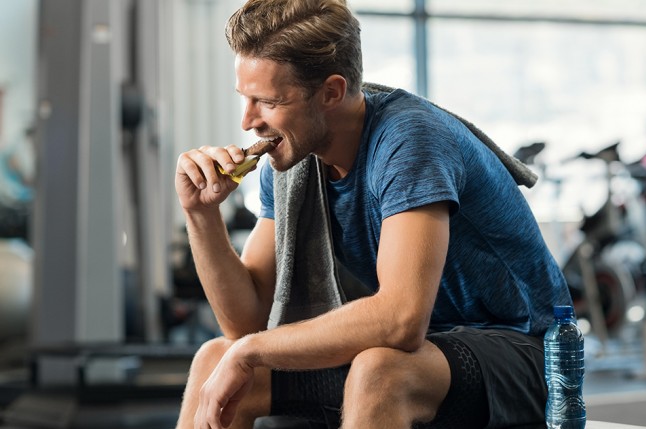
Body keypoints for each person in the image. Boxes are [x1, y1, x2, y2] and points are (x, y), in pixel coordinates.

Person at [173, 1, 571, 428]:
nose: (248, 121)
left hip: (530, 351)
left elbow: (400, 321)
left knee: (380, 371)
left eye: (267, 101)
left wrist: (251, 350)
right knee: (215, 359)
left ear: (331, 92)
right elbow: (245, 321)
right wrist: (201, 215)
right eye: (245, 98)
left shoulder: (410, 141)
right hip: (431, 351)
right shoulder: (292, 158)